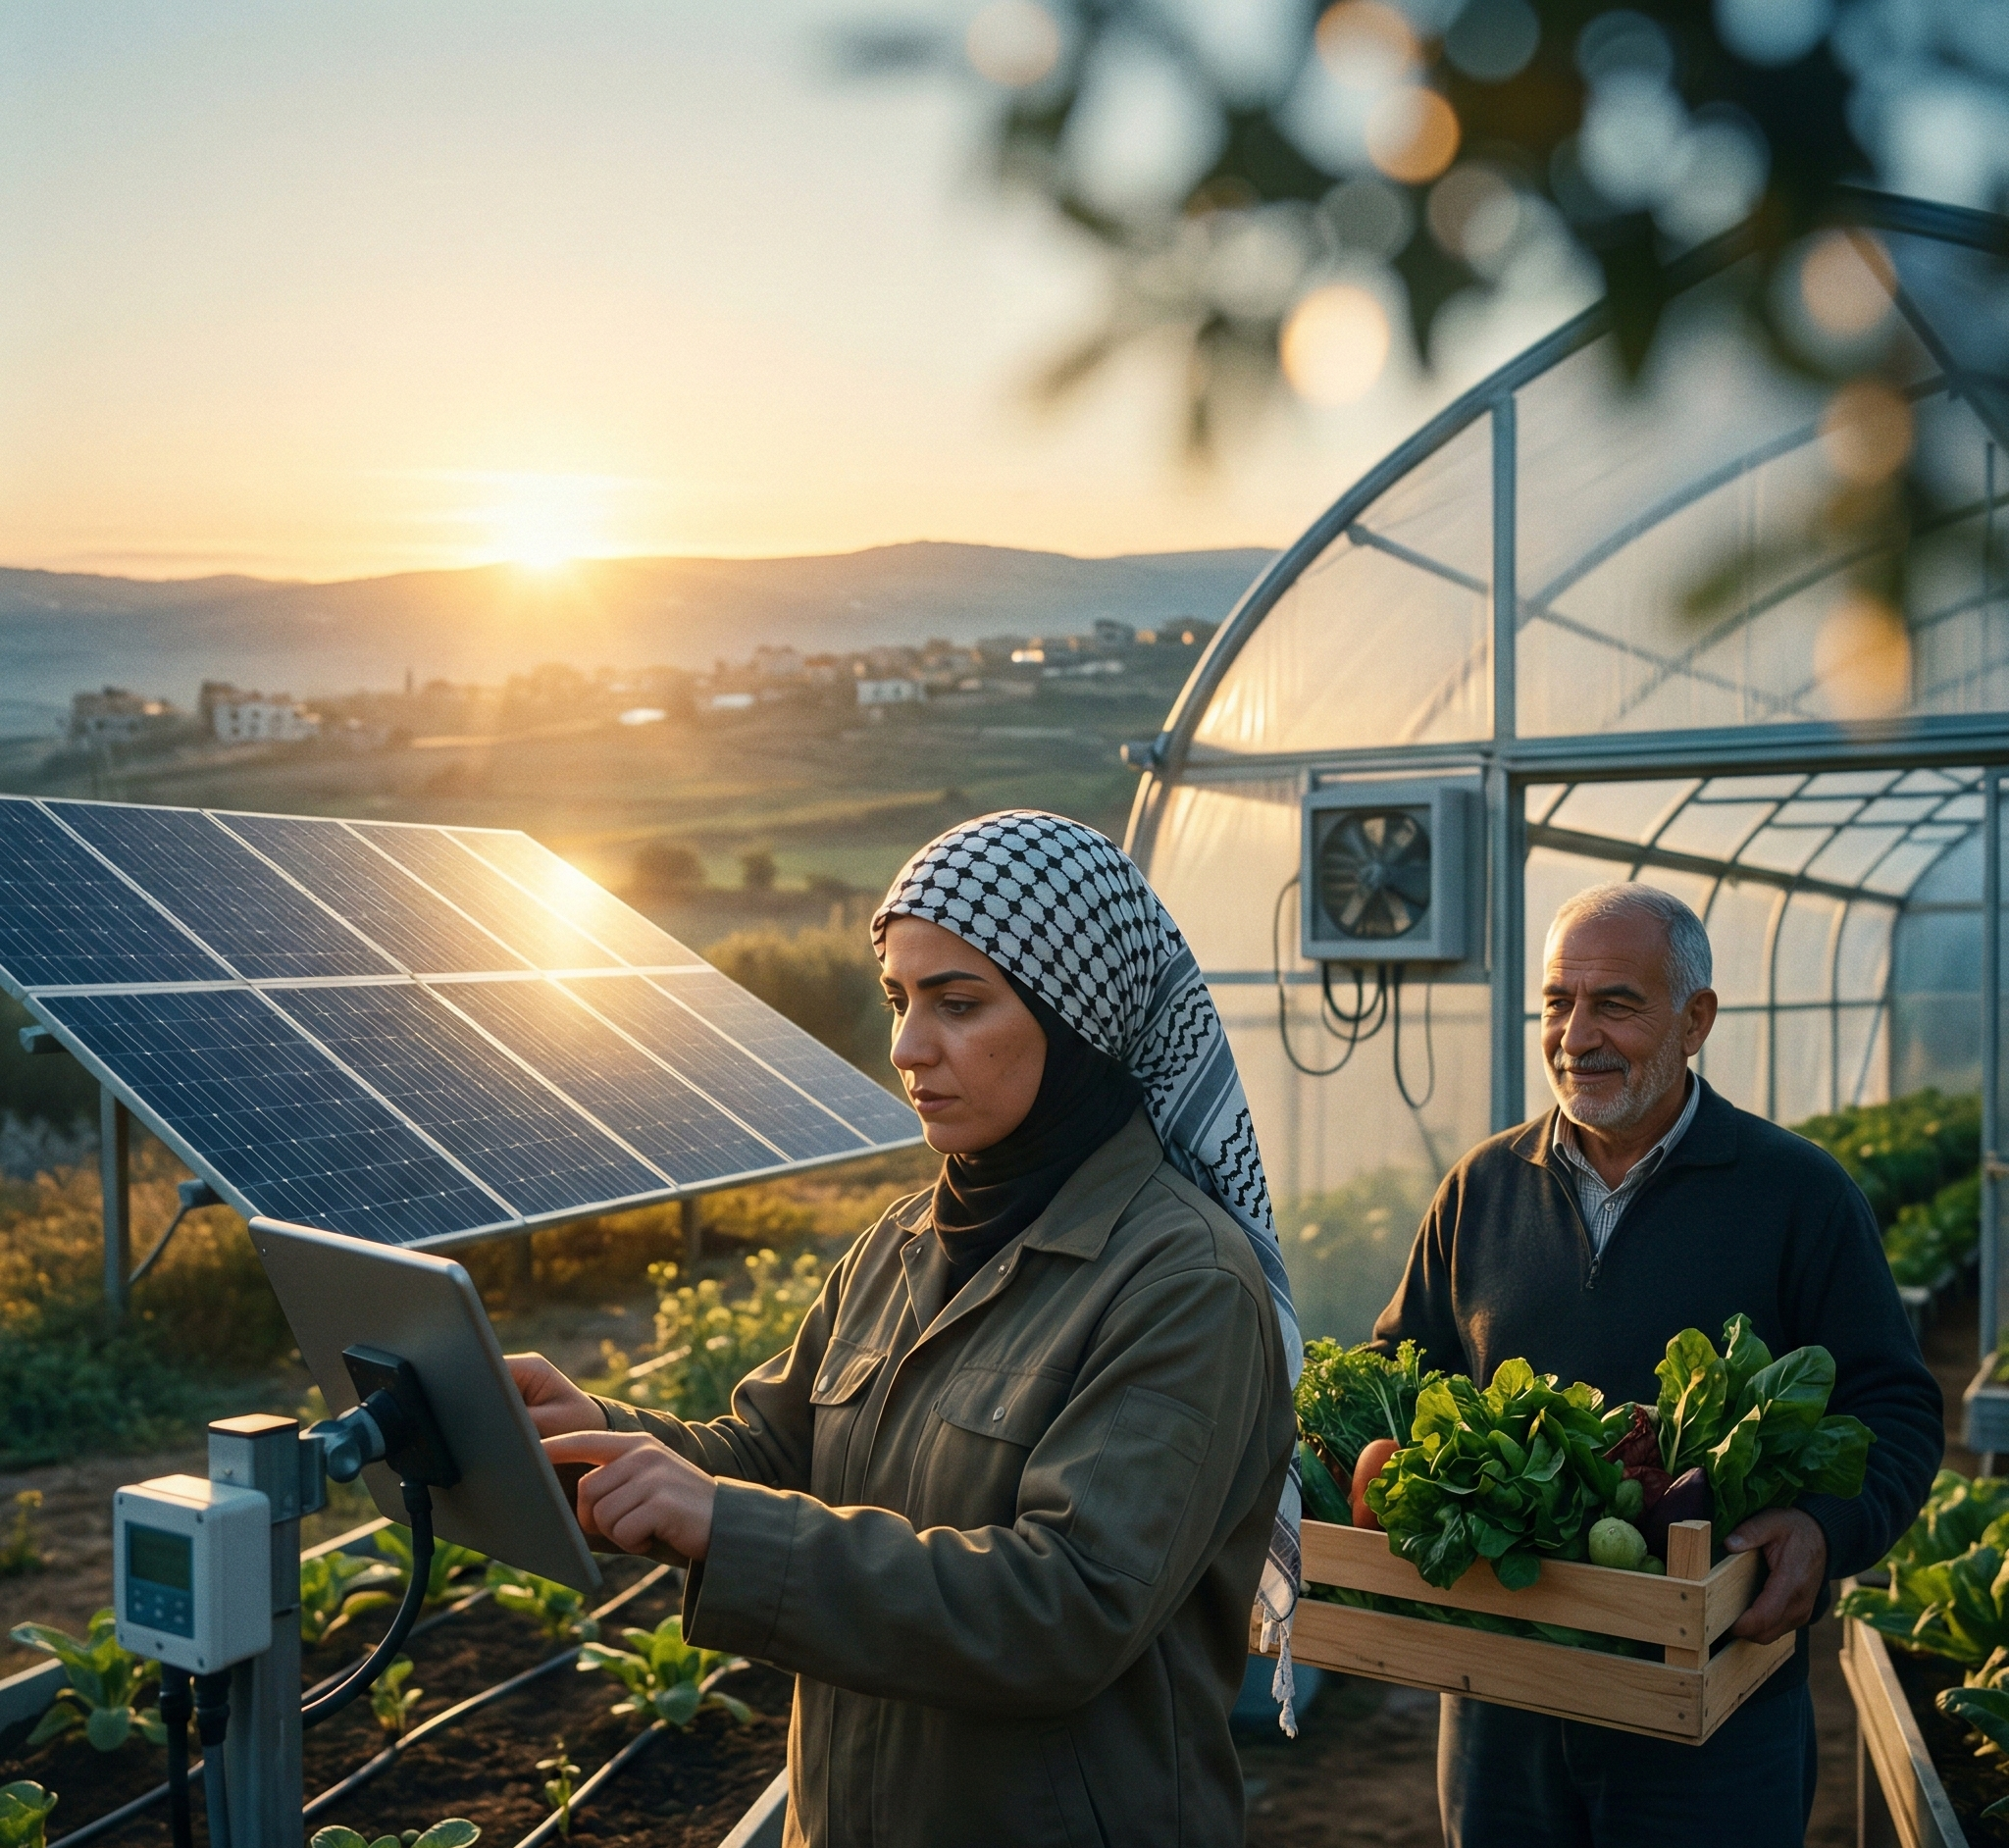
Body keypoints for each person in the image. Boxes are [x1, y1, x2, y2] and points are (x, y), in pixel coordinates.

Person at [509, 811, 1301, 1848]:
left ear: (1080, 1019)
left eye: (957, 1004)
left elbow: (1068, 1610)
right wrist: (596, 1435)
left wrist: (728, 1526)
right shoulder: (900, 1243)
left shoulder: (1181, 1281)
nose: (906, 1048)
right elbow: (772, 1455)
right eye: (898, 1000)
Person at [1371, 881, 1943, 1848]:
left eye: (1615, 1004)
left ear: (1695, 1020)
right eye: (1556, 1002)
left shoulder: (1797, 1194)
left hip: (1710, 1700)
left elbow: (1896, 1405)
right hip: (1501, 1696)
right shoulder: (1481, 1188)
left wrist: (1824, 1527)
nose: (1575, 1037)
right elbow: (1401, 1370)